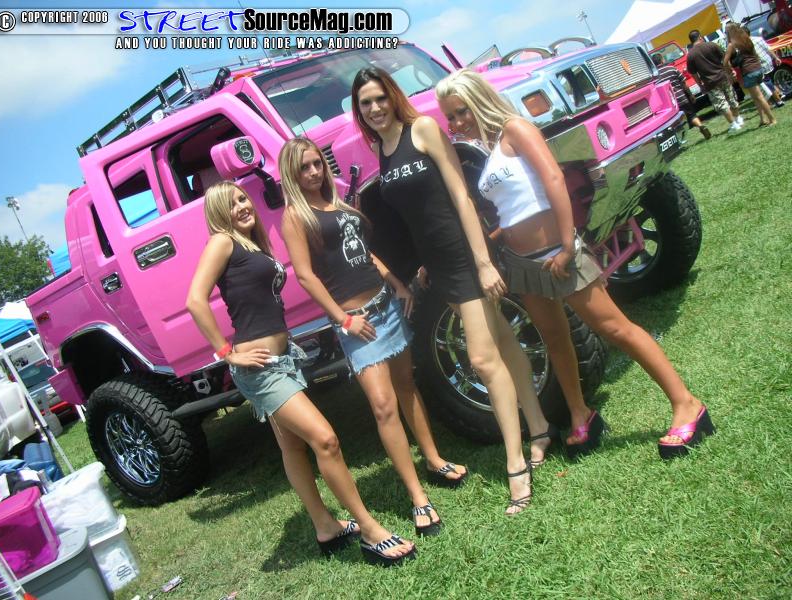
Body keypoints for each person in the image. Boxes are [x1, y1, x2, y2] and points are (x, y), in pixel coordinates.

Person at [435, 69, 716, 461]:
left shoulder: (516, 129)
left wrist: (568, 245)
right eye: (450, 116)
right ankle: (580, 413)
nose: (457, 122)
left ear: (479, 100)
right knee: (554, 338)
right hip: (522, 263)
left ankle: (687, 404)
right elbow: (514, 209)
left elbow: (553, 178)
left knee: (614, 327)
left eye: (462, 111)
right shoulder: (490, 146)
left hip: (557, 253)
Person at [351, 67, 558, 515]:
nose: (375, 108)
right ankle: (539, 426)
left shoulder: (422, 129)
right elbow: (418, 215)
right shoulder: (383, 151)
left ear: (393, 96)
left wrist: (482, 261)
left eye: (380, 98)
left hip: (465, 256)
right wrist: (424, 263)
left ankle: (516, 463)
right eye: (366, 103)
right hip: (439, 265)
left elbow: (460, 196)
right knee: (503, 340)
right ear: (359, 110)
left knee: (482, 359)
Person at [186, 181, 415, 566]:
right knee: (325, 440)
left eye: (243, 198)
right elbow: (195, 300)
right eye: (231, 204)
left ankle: (325, 527)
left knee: (292, 447)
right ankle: (369, 530)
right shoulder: (222, 242)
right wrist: (227, 354)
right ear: (219, 214)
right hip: (261, 369)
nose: (242, 206)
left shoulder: (252, 245)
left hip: (283, 359)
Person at [279, 138, 468, 536]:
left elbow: (365, 253)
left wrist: (396, 283)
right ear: (292, 175)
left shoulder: (338, 204)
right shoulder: (296, 216)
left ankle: (433, 459)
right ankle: (418, 496)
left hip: (386, 304)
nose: (313, 172)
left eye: (317, 164)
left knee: (406, 386)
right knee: (383, 407)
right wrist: (342, 320)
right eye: (304, 168)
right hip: (357, 321)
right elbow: (306, 276)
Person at [687, 29, 744, 134]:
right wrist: (731, 71)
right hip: (723, 76)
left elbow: (694, 74)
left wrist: (700, 85)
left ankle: (734, 124)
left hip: (710, 83)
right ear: (700, 37)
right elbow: (725, 59)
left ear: (691, 41)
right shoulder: (712, 45)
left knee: (722, 104)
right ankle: (738, 119)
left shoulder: (690, 55)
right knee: (731, 98)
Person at [651, 54, 712, 140]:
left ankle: (680, 139)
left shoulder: (654, 77)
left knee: (674, 122)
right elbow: (684, 84)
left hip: (670, 104)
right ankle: (700, 126)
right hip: (681, 98)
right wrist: (690, 95)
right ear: (662, 60)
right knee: (691, 115)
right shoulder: (672, 69)